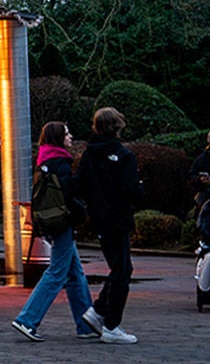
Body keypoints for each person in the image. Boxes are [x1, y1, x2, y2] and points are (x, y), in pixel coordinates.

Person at [11, 121, 101, 342]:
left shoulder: (44, 159)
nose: (70, 137)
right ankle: (27, 319)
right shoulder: (60, 161)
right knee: (57, 272)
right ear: (58, 137)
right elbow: (70, 191)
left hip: (51, 220)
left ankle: (85, 324)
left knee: (74, 272)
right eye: (67, 133)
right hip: (62, 222)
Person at [76, 107, 144, 345]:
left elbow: (80, 185)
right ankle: (111, 324)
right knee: (122, 271)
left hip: (99, 217)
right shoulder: (124, 155)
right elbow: (131, 190)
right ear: (118, 127)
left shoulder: (89, 154)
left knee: (120, 268)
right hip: (118, 217)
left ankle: (99, 311)